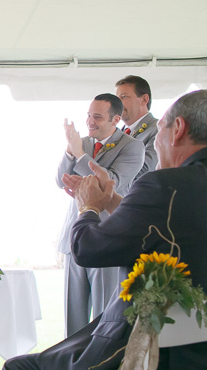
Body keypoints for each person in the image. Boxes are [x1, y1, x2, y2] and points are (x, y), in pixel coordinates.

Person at [0, 89, 207, 370]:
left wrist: (89, 208)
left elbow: (89, 248)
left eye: (159, 130)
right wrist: (112, 201)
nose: (156, 140)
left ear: (178, 130)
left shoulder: (165, 187)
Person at [56, 93, 143, 336]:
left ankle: (100, 357)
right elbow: (59, 180)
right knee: (73, 316)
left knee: (104, 314)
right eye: (88, 115)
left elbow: (111, 183)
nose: (90, 122)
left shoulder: (132, 147)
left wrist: (80, 156)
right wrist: (70, 152)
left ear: (115, 119)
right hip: (75, 236)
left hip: (106, 237)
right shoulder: (80, 143)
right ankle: (70, 357)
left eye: (97, 117)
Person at [115, 75, 159, 180]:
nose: (117, 103)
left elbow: (146, 170)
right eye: (117, 98)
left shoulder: (158, 129)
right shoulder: (117, 134)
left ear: (144, 99)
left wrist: (107, 178)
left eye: (124, 97)